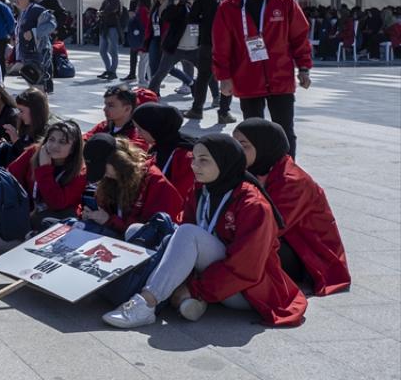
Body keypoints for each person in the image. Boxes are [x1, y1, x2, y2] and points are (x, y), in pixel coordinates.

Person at [102, 134, 307, 329]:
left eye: (203, 160)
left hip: (245, 289)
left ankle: (147, 303)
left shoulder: (253, 204)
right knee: (137, 230)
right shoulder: (202, 189)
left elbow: (246, 268)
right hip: (211, 273)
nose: (194, 165)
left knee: (188, 233)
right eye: (194, 159)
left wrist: (194, 287)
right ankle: (183, 299)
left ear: (224, 161)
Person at [235, 118, 350, 296]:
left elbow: (271, 227)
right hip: (284, 240)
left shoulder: (292, 181)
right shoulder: (255, 170)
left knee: (243, 252)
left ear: (263, 146)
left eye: (243, 145)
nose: (236, 151)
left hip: (308, 256)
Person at [212, 0, 312, 156]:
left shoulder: (284, 3)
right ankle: (258, 174)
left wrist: (303, 67)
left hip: (280, 76)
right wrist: (224, 77)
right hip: (247, 77)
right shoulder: (229, 8)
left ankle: (287, 174)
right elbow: (221, 46)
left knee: (285, 131)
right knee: (253, 133)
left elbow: (299, 37)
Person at [80, 134, 183, 237]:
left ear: (118, 161)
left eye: (101, 168)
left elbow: (149, 232)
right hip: (117, 235)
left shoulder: (155, 183)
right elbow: (106, 210)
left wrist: (109, 220)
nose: (101, 174)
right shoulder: (111, 179)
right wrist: (91, 214)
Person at [6, 119, 86, 230]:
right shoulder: (34, 152)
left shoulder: (80, 172)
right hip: (26, 213)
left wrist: (44, 168)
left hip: (56, 221)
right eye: (51, 139)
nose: (54, 146)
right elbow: (9, 176)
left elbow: (56, 203)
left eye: (62, 142)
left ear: (73, 149)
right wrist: (24, 204)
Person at [185, 0, 237, 123]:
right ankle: (224, 112)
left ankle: (197, 109)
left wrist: (206, 22)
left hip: (208, 41)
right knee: (226, 77)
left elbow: (191, 18)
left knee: (203, 77)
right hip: (229, 44)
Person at [132, 102, 196, 200]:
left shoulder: (184, 156)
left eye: (140, 130)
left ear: (154, 129)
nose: (138, 134)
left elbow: (181, 194)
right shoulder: (158, 146)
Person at [146, 0, 197, 96]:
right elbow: (152, 22)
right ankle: (154, 93)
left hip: (171, 41)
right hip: (156, 38)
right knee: (157, 67)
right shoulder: (157, 4)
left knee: (167, 69)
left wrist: (176, 2)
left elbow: (167, 18)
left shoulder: (171, 4)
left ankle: (191, 83)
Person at [11, 0, 54, 93]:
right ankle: (38, 107)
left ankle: (41, 108)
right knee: (33, 84)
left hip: (38, 52)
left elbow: (51, 24)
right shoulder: (24, 12)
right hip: (28, 53)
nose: (16, 0)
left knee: (38, 85)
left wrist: (34, 32)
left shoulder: (37, 9)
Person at [84, 85, 147, 150]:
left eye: (111, 105)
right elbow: (83, 140)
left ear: (127, 109)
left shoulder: (139, 133)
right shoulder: (104, 126)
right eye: (105, 104)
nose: (105, 109)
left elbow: (131, 154)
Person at [97, 0, 122, 79]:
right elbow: (101, 11)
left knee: (113, 51)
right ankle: (108, 70)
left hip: (113, 27)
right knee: (102, 50)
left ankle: (113, 71)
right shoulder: (106, 0)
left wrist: (101, 13)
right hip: (104, 27)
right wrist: (101, 13)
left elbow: (110, 10)